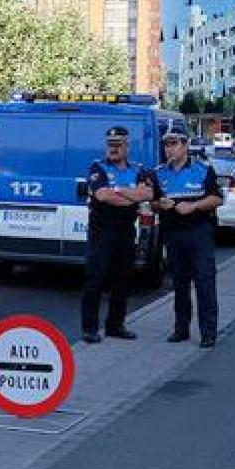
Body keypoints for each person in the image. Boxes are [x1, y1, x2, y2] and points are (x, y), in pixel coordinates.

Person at [80, 126, 154, 344]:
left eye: (118, 145)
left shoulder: (138, 169)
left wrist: (119, 191)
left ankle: (115, 325)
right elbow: (102, 196)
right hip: (102, 229)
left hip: (126, 229)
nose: (113, 149)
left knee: (123, 278)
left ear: (126, 146)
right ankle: (90, 328)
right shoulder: (98, 167)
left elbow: (148, 194)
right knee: (95, 278)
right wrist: (130, 195)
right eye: (110, 145)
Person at [152, 127, 224, 348]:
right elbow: (152, 203)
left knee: (204, 283)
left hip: (198, 232)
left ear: (185, 146)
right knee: (179, 284)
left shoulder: (203, 170)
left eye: (174, 144)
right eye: (166, 144)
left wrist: (193, 206)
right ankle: (181, 328)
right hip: (173, 234)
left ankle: (209, 332)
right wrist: (159, 204)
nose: (169, 149)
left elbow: (217, 199)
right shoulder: (159, 173)